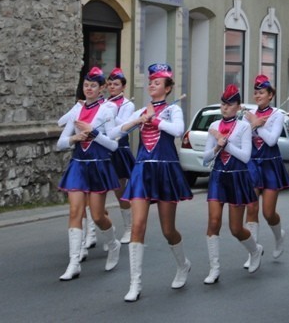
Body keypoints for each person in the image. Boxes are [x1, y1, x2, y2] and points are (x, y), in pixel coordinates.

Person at [112, 63, 192, 302]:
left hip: (165, 171)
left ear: (167, 89)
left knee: (168, 230)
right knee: (137, 226)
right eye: (150, 82)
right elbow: (117, 133)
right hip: (143, 171)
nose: (151, 85)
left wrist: (155, 121)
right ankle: (135, 283)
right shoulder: (140, 111)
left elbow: (178, 131)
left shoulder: (172, 110)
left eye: (157, 83)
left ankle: (183, 264)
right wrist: (134, 122)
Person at [57, 67, 122, 280]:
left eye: (93, 86)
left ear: (101, 88)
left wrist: (93, 133)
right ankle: (74, 262)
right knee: (75, 211)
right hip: (78, 164)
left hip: (98, 165)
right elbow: (60, 142)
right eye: (86, 85)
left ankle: (113, 244)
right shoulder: (76, 110)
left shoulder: (107, 110)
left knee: (97, 215)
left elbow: (113, 145)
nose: (89, 89)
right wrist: (74, 139)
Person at [201, 85, 264, 285]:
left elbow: (246, 157)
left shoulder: (244, 126)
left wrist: (225, 143)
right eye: (223, 103)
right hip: (218, 177)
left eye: (229, 104)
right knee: (213, 222)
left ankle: (255, 250)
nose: (225, 107)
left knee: (236, 228)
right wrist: (216, 145)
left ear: (238, 106)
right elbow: (205, 159)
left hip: (238, 177)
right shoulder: (214, 125)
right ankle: (214, 268)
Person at [243, 74, 289, 266]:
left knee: (268, 212)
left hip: (270, 164)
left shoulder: (277, 114)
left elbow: (271, 140)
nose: (258, 96)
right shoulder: (250, 113)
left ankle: (279, 236)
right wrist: (252, 123)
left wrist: (257, 125)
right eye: (255, 93)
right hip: (253, 163)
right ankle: (253, 251)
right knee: (251, 207)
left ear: (270, 95)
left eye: (261, 92)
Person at [106, 68, 136, 243]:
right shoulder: (105, 103)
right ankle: (106, 226)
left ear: (123, 87)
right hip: (103, 148)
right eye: (110, 84)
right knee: (98, 191)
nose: (112, 87)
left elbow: (125, 127)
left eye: (116, 84)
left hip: (119, 149)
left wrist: (110, 115)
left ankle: (129, 228)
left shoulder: (127, 104)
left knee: (119, 191)